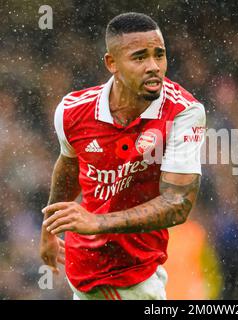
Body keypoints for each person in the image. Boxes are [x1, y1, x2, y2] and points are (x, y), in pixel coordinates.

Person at [39, 12, 206, 300]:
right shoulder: (71, 111)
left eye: (159, 55)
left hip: (135, 275)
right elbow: (70, 163)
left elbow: (177, 204)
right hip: (85, 269)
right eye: (140, 57)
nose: (154, 67)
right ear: (111, 63)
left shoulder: (184, 112)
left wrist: (97, 222)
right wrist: (50, 228)